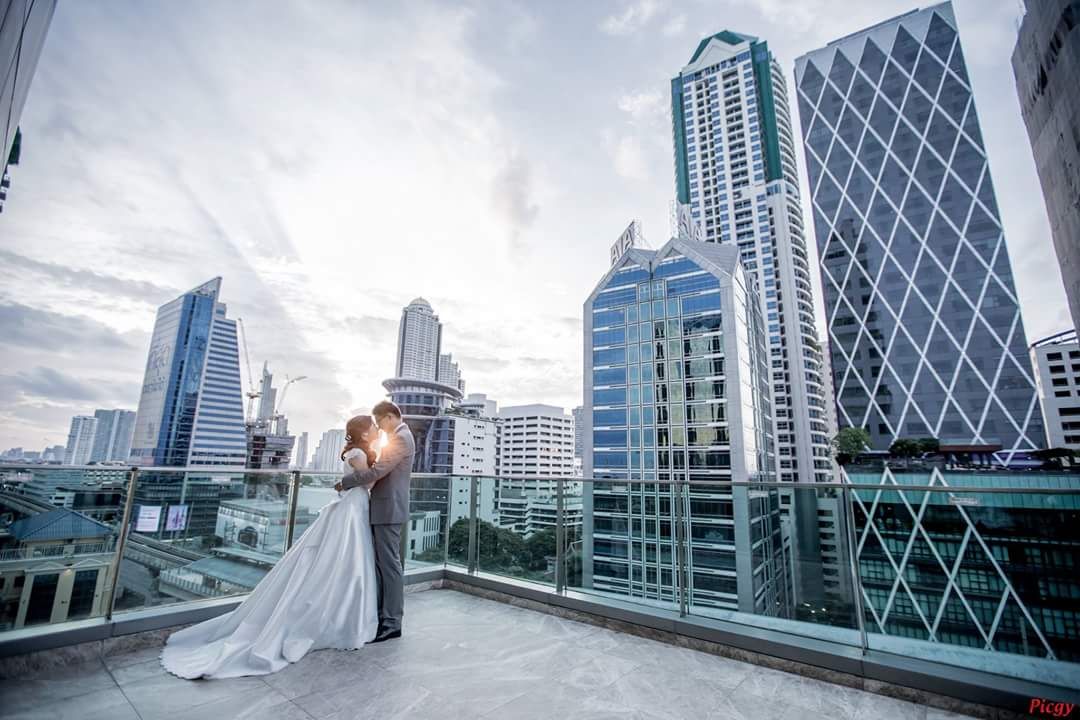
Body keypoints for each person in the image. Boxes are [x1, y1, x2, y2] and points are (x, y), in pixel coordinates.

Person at [159, 415, 381, 679]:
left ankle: (343, 614)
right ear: (363, 433)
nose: (376, 429)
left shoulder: (357, 452)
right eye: (373, 427)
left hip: (354, 505)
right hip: (352, 508)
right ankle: (338, 620)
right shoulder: (358, 454)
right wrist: (379, 465)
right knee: (347, 558)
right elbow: (368, 482)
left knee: (348, 558)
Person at [336, 400, 414, 643]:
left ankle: (392, 622)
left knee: (389, 566)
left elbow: (377, 472)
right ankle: (383, 615)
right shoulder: (400, 437)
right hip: (384, 508)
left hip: (389, 509)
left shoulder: (400, 438)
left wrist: (345, 483)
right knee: (383, 564)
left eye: (379, 422)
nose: (378, 428)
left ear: (390, 416)